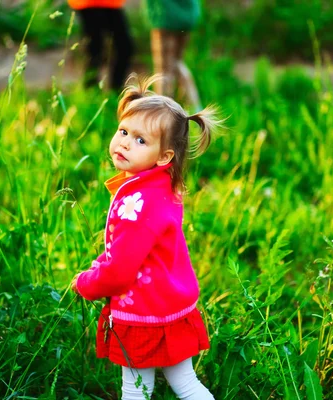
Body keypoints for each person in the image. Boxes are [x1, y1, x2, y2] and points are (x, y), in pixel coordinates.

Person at [71, 74, 219, 399]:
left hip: (143, 315)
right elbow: (131, 251)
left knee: (136, 390)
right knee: (186, 384)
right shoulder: (159, 186)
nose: (124, 142)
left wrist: (87, 282)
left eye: (140, 140)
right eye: (123, 131)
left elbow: (121, 270)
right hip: (171, 306)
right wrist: (102, 263)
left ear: (164, 156)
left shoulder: (137, 204)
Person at [146, 0, 202, 110]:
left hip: (165, 15)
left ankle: (163, 114)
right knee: (177, 63)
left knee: (163, 69)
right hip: (187, 14)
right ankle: (194, 108)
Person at [67, 0, 134, 91]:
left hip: (106, 4)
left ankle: (110, 90)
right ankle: (95, 91)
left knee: (98, 48)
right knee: (96, 49)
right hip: (92, 4)